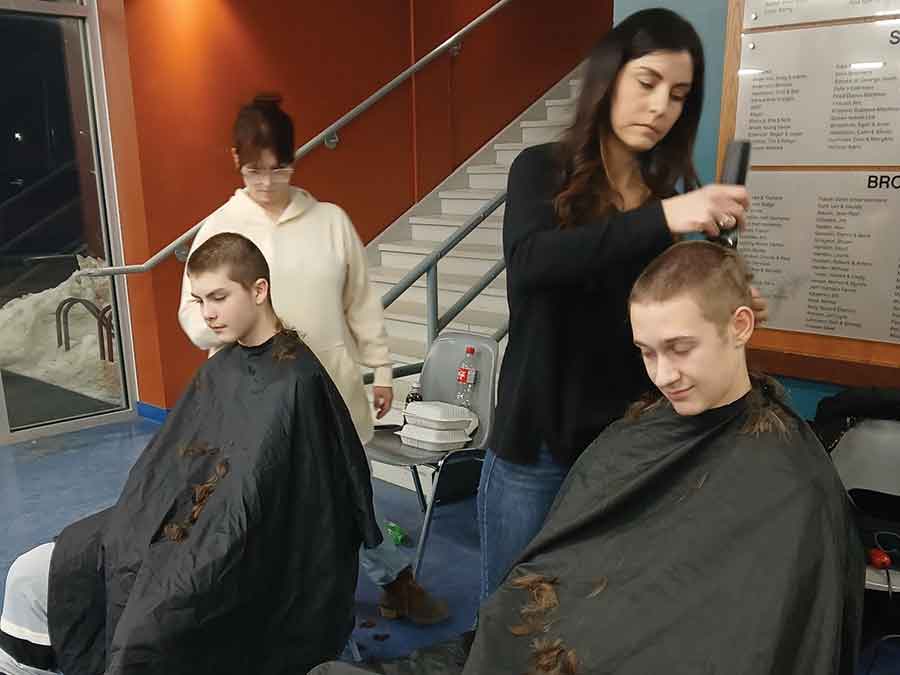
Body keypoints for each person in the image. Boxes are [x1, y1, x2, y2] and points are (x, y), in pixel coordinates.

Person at [309, 241, 864, 675]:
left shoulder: (794, 485)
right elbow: (565, 567)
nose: (663, 374)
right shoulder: (638, 435)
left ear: (739, 326)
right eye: (646, 352)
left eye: (680, 348)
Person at [479, 7, 768, 600]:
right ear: (609, 79)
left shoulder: (662, 200)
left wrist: (723, 305)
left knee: (598, 608)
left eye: (678, 95)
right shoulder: (542, 170)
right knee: (511, 611)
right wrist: (664, 217)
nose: (661, 107)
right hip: (537, 445)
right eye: (647, 82)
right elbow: (533, 264)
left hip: (622, 442)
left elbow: (652, 310)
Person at [0, 233, 382, 675]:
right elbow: (173, 467)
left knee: (149, 625)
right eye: (200, 300)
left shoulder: (298, 382)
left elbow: (294, 511)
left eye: (219, 297)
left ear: (259, 290)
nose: (208, 314)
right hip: (178, 523)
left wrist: (206, 536)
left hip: (234, 549)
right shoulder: (223, 366)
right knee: (32, 571)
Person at [177, 94, 448, 624]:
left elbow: (360, 300)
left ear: (294, 160)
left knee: (350, 493)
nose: (267, 183)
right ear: (236, 161)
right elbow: (194, 309)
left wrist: (382, 367)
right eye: (255, 171)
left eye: (279, 169)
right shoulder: (221, 228)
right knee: (265, 505)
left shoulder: (330, 222)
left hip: (330, 387)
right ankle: (287, 609)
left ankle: (395, 583)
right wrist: (220, 327)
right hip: (255, 397)